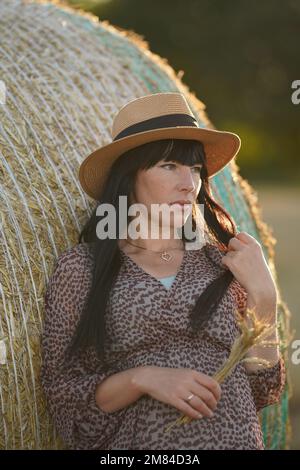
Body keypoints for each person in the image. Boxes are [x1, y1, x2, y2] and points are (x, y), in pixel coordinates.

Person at [40, 92, 286, 450]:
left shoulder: (224, 265)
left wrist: (265, 298)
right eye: (169, 166)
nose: (189, 184)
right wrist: (143, 378)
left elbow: (261, 390)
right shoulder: (82, 269)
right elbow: (65, 395)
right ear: (129, 177)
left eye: (196, 169)